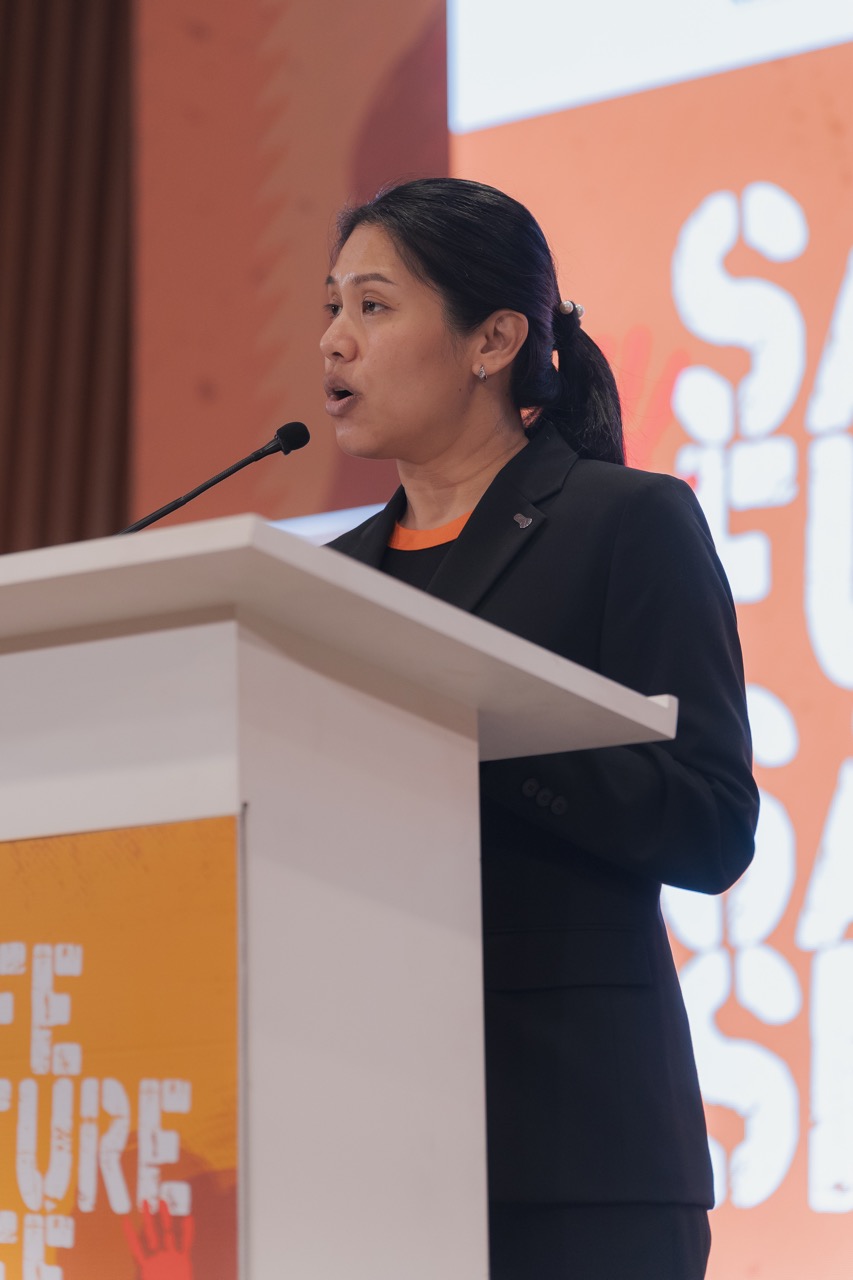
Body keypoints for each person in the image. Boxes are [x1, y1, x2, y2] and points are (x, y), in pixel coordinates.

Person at [322, 177, 759, 1280]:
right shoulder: (324, 585)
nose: (335, 340)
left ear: (493, 339)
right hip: (355, 1141)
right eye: (331, 308)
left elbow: (713, 826)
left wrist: (486, 727)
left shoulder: (625, 523)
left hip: (577, 1151)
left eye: (373, 307)